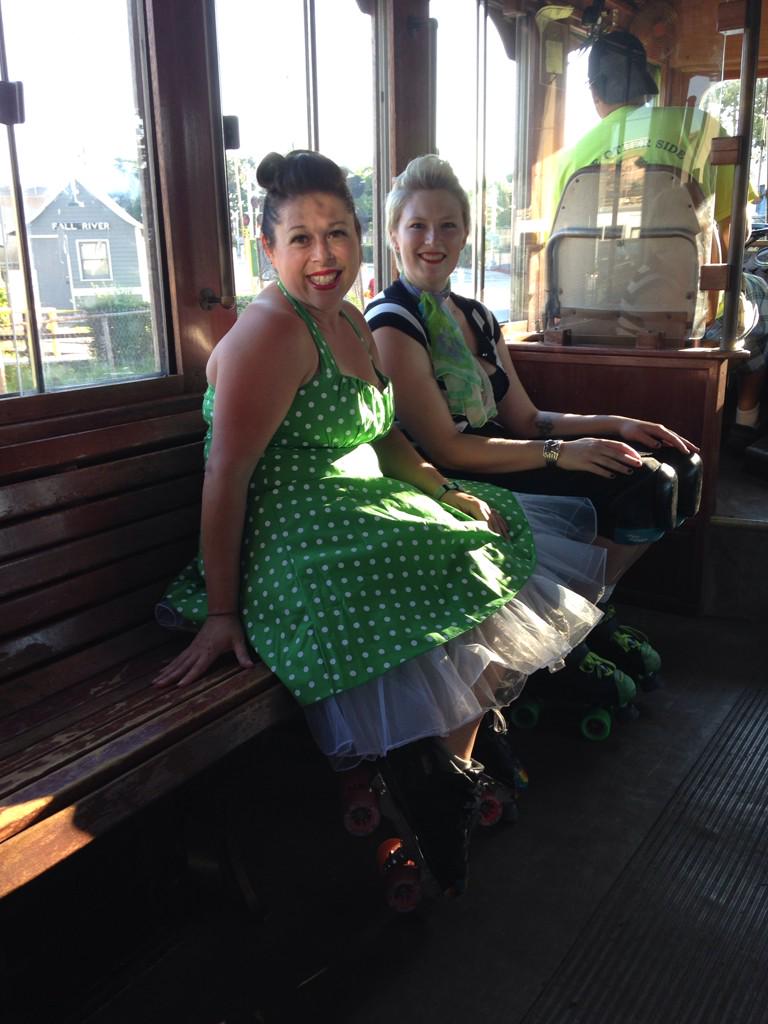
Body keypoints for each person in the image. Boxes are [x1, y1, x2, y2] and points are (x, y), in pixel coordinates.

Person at [153, 149, 607, 896]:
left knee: (479, 543)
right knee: (440, 572)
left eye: (336, 233)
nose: (322, 254)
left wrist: (441, 491)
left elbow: (383, 433)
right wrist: (224, 611)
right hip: (289, 532)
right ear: (267, 251)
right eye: (299, 238)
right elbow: (225, 477)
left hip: (354, 508)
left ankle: (441, 769)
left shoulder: (352, 322)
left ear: (362, 238)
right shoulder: (272, 333)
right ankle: (429, 774)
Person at [365, 152, 701, 687]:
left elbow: (524, 417)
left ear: (465, 234)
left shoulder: (476, 315)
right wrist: (562, 455)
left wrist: (614, 425)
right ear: (393, 235)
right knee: (641, 489)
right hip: (444, 474)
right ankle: (563, 640)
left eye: (448, 225)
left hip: (501, 451)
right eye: (418, 226)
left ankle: (577, 620)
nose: (434, 239)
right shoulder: (391, 322)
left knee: (676, 468)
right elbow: (447, 448)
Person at [553, 30, 765, 446]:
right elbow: (734, 232)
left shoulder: (574, 156)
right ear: (648, 83)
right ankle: (743, 426)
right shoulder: (702, 127)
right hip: (693, 321)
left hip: (597, 320)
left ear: (594, 90)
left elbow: (564, 254)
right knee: (762, 294)